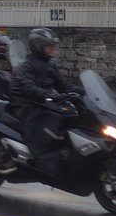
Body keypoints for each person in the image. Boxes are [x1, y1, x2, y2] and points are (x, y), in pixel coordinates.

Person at [9, 27, 82, 175]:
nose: (52, 50)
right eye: (49, 46)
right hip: (25, 105)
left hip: (42, 102)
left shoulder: (49, 64)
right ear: (38, 46)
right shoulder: (27, 66)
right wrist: (48, 95)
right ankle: (42, 161)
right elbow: (28, 88)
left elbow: (63, 85)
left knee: (71, 115)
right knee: (48, 119)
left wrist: (81, 92)